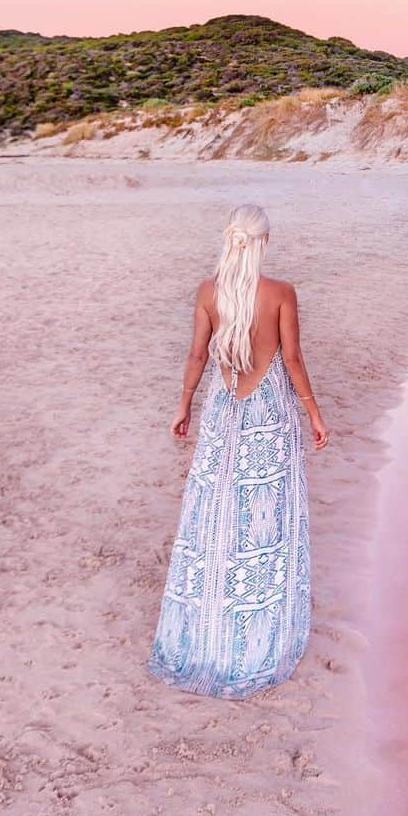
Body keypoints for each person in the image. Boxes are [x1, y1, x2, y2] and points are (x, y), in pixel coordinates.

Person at [147, 203, 328, 697]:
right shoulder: (281, 294)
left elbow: (197, 356)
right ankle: (255, 624)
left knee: (216, 509)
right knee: (264, 512)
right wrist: (313, 413)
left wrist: (183, 406)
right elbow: (291, 359)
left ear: (229, 240)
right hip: (269, 413)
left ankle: (207, 620)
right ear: (263, 241)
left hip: (224, 410)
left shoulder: (209, 292)